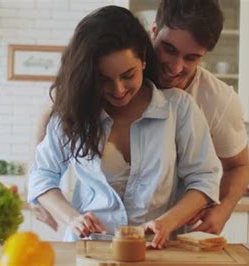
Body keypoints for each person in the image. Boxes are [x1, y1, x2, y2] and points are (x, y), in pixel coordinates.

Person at [28, 5, 222, 249]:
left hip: (156, 250)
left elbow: (204, 179)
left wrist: (166, 222)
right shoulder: (75, 113)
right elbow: (42, 177)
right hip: (89, 249)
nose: (118, 90)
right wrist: (72, 219)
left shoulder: (179, 108)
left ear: (142, 59)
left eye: (127, 75)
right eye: (104, 79)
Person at [151, 0, 249, 234]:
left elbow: (239, 166)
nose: (176, 67)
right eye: (169, 49)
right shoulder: (124, 76)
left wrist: (223, 209)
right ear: (153, 30)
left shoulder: (218, 100)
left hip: (178, 236)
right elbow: (58, 108)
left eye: (191, 58)